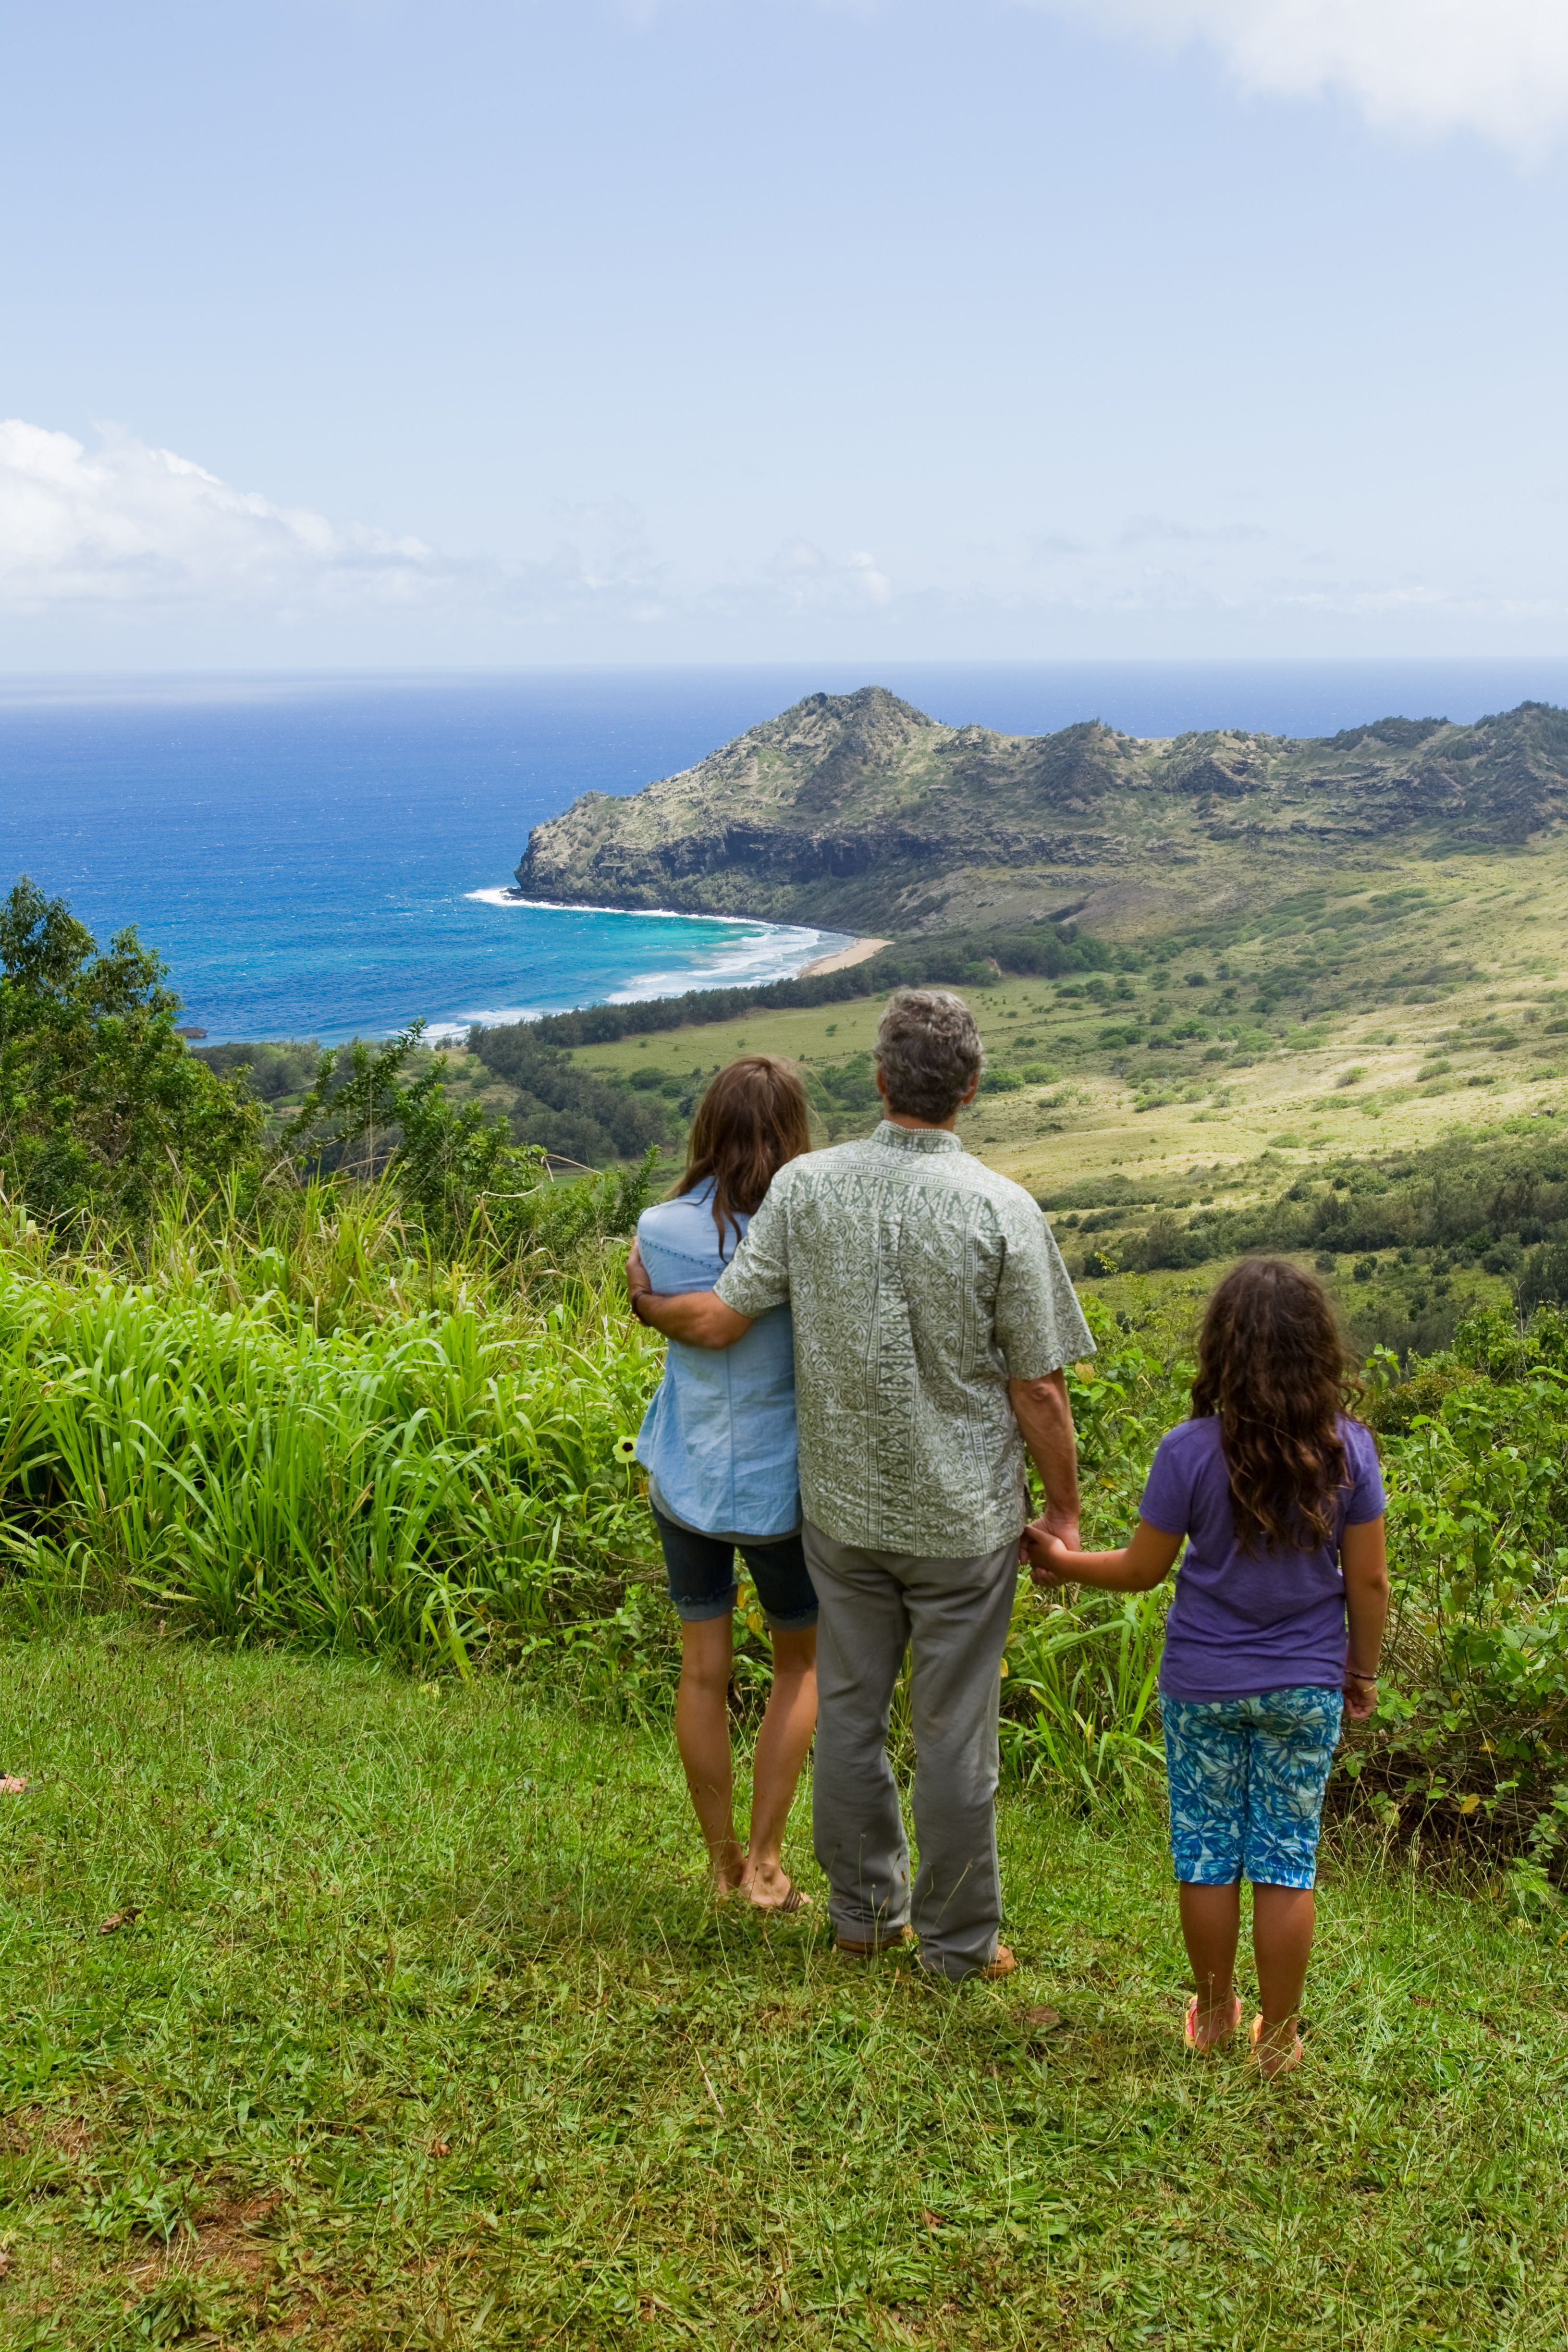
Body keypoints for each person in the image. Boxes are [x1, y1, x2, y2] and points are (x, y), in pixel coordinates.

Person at [628, 989, 1093, 1982]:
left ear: (880, 1080)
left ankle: (861, 1917)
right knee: (953, 1735)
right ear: (971, 1088)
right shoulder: (1002, 1209)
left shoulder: (806, 1191)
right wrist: (1062, 1512)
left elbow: (721, 1319)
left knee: (848, 1712)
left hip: (837, 1510)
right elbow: (1040, 1390)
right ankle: (961, 1946)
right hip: (961, 1519)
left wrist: (647, 1304)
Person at [1026, 1257, 1389, 2078]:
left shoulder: (1187, 1451)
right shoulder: (1350, 1451)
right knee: (1286, 1858)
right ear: (1317, 1348)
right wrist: (1360, 1671)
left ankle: (1218, 2013)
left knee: (1206, 1852)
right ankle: (1283, 2038)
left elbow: (1141, 1571)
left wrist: (1056, 1558)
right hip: (1306, 1681)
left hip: (1203, 1682)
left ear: (1222, 1349)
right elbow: (1368, 1580)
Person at [630, 1055, 819, 1913]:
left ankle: (720, 1861)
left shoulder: (657, 1228)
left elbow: (677, 1320)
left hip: (688, 1474)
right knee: (799, 1664)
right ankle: (769, 1863)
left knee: (702, 1671)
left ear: (707, 1128)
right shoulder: (808, 1231)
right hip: (785, 1491)